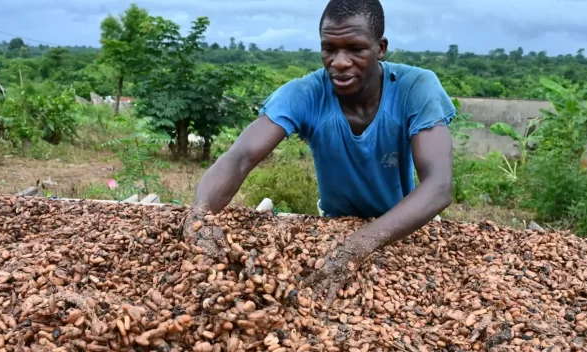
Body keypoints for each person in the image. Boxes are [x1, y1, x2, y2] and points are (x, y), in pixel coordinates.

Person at [184, 0, 456, 303]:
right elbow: (240, 157)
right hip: (334, 228)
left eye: (355, 49)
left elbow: (438, 186)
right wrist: (199, 218)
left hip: (405, 229)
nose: (339, 62)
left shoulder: (415, 87)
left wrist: (355, 248)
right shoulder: (305, 94)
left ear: (380, 48)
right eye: (329, 48)